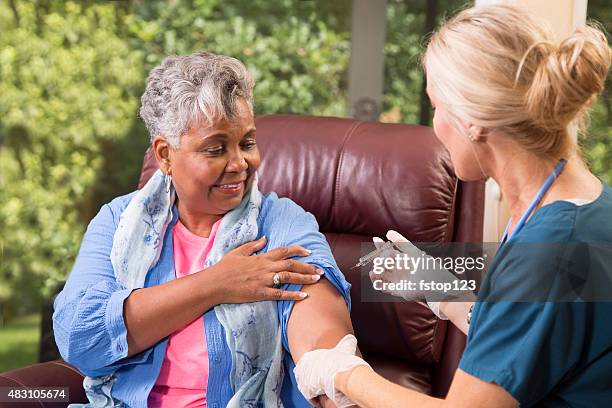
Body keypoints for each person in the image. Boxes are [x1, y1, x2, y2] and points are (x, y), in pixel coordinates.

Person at [294, 4, 612, 407]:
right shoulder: (586, 204)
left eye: (437, 106)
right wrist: (446, 296)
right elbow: (540, 339)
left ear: (474, 121)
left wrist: (343, 372)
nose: (435, 125)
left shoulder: (548, 255)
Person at [53, 52, 354, 408]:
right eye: (216, 149)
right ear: (165, 155)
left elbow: (321, 338)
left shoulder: (281, 222)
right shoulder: (117, 221)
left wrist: (337, 375)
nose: (240, 164)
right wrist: (217, 283)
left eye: (247, 143)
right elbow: (81, 338)